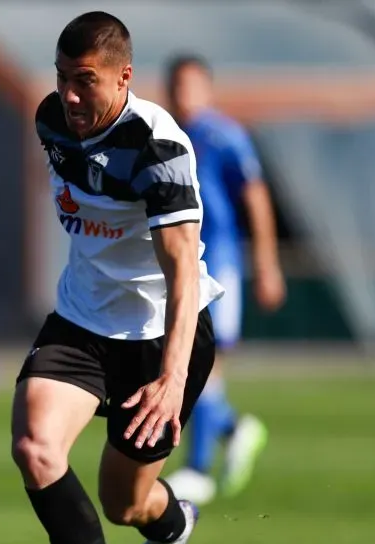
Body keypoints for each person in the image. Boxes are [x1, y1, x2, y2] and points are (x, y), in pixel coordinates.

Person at [12, 11, 223, 544]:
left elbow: (183, 272)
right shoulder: (51, 120)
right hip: (80, 323)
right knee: (35, 447)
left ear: (124, 77)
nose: (70, 97)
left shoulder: (159, 148)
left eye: (86, 81)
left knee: (123, 504)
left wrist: (172, 377)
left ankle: (172, 523)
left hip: (162, 336)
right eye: (61, 79)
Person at [161, 53, 287, 506]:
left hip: (221, 265)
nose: (184, 95)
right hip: (179, 263)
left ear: (207, 89)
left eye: (192, 86)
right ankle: (234, 428)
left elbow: (255, 197)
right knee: (186, 361)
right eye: (177, 86)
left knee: (203, 360)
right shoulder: (163, 134)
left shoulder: (225, 135)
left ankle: (197, 469)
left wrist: (267, 262)